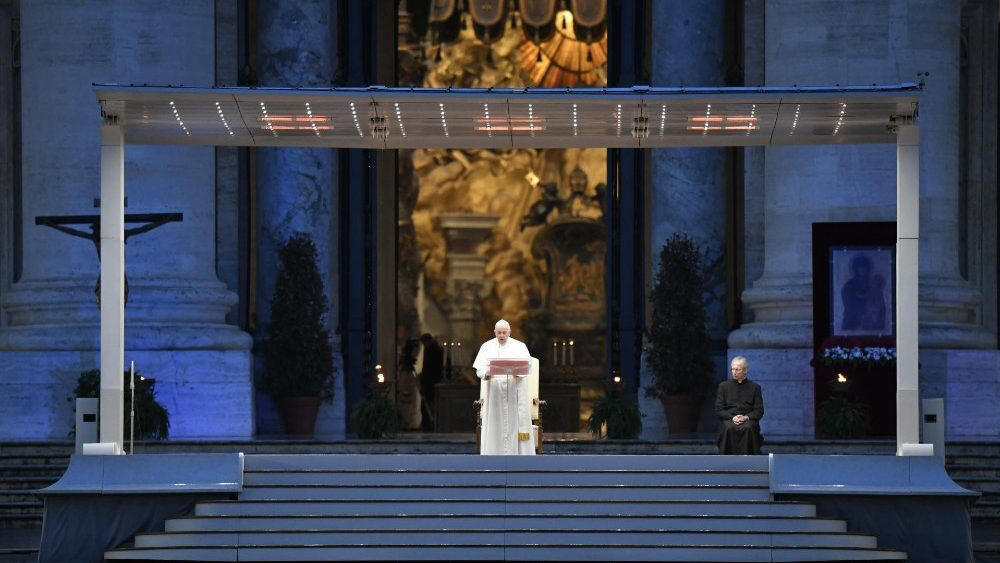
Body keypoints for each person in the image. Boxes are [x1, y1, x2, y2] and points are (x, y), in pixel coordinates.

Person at [472, 319, 534, 455]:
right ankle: (494, 454)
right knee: (496, 424)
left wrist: (518, 372)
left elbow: (528, 366)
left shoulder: (520, 346)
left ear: (510, 332)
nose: (501, 336)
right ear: (494, 332)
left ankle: (516, 456)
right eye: (499, 333)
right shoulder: (486, 346)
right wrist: (486, 374)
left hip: (514, 392)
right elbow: (479, 370)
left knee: (513, 423)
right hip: (495, 394)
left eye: (504, 333)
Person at [715, 356, 764, 455]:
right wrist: (733, 417)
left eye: (737, 369)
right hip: (729, 419)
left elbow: (759, 411)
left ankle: (750, 461)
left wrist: (746, 417)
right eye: (732, 369)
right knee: (728, 427)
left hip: (747, 420)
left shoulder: (755, 387)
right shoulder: (723, 386)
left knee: (748, 427)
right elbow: (719, 409)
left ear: (745, 370)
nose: (734, 372)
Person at [418, 333, 444, 431]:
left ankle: (430, 425)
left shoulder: (435, 350)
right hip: (428, 382)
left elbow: (432, 368)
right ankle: (428, 424)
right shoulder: (429, 349)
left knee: (431, 405)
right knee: (426, 405)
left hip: (432, 382)